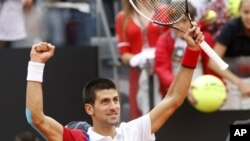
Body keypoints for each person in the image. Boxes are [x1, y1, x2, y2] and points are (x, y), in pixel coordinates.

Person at [26, 23, 204, 140]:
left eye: (115, 100)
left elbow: (174, 98)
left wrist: (192, 50)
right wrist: (36, 64)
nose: (113, 106)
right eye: (105, 101)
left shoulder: (133, 132)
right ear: (90, 109)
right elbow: (36, 118)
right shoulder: (80, 139)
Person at [115, 0, 168, 118]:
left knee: (164, 112)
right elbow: (124, 55)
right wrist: (139, 58)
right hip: (138, 72)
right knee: (140, 115)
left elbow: (170, 42)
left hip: (162, 70)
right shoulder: (122, 17)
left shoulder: (164, 12)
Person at [154, 2, 220, 96]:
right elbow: (162, 70)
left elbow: (212, 66)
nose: (180, 25)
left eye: (184, 21)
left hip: (202, 94)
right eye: (175, 21)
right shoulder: (163, 40)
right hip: (174, 94)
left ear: (193, 20)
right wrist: (182, 90)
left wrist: (220, 87)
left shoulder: (205, 37)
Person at [207, 0, 250, 109]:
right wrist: (239, 83)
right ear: (239, 12)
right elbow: (213, 62)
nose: (249, 17)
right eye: (246, 12)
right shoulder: (230, 27)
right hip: (231, 83)